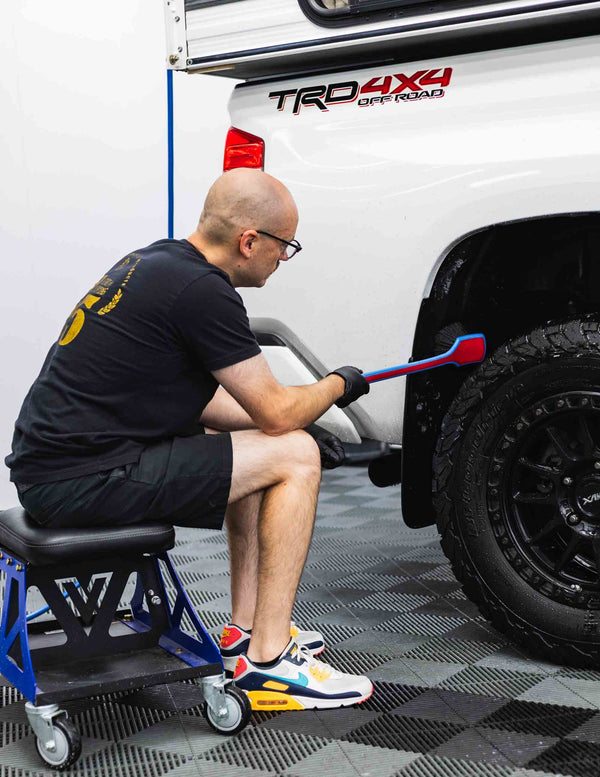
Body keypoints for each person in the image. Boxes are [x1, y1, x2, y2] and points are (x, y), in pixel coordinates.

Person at [5, 168, 372, 711]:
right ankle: (270, 666)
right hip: (81, 480)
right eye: (284, 246)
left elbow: (213, 405)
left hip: (58, 471)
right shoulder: (204, 292)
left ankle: (244, 636)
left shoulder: (155, 264)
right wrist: (336, 386)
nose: (283, 258)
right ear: (250, 242)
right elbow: (272, 410)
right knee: (294, 454)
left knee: (268, 448)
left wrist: (294, 420)